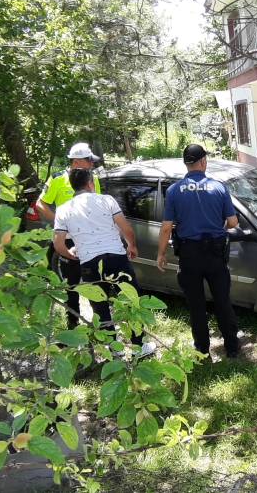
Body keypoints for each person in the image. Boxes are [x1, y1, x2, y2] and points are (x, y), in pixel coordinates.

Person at [52, 167, 155, 357]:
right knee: (132, 300)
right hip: (116, 258)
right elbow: (127, 230)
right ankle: (139, 346)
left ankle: (113, 350)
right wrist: (131, 245)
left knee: (100, 306)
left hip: (89, 263)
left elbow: (58, 244)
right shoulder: (106, 200)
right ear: (90, 183)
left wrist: (72, 254)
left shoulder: (64, 209)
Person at [156, 144, 240, 359]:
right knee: (222, 301)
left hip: (189, 255)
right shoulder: (219, 187)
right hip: (215, 253)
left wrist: (161, 253)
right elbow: (232, 221)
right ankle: (232, 348)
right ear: (203, 161)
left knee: (196, 305)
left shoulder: (174, 190)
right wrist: (220, 228)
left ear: (186, 164)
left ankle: (202, 350)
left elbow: (166, 227)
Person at [36, 142, 101, 329]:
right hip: (68, 239)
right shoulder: (58, 179)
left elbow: (96, 202)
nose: (92, 165)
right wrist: (59, 221)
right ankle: (72, 324)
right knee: (71, 284)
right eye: (89, 161)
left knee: (95, 282)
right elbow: (41, 204)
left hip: (89, 237)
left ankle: (99, 324)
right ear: (78, 161)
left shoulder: (92, 178)